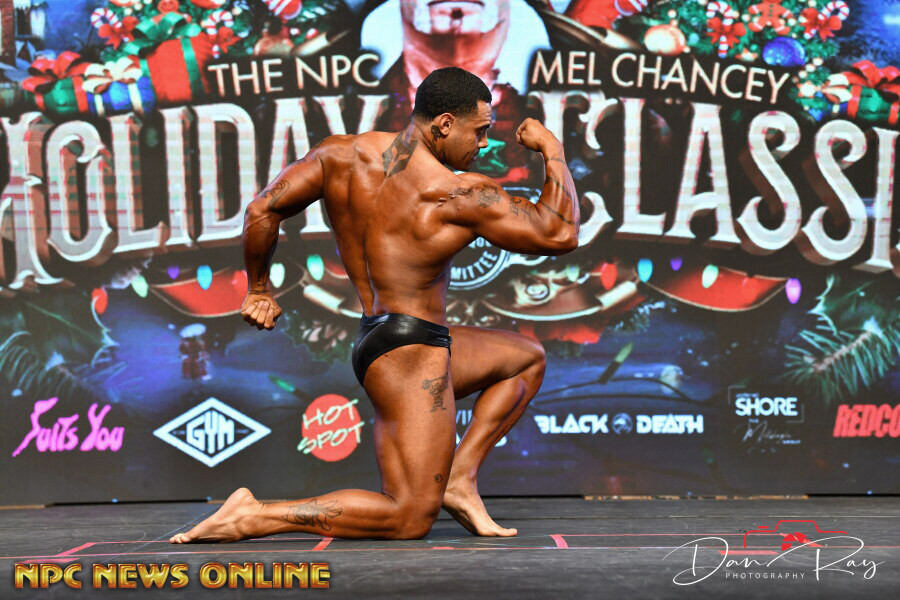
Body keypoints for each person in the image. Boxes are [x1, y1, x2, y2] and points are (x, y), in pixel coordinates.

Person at [169, 66, 579, 543]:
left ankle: (459, 479)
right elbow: (559, 233)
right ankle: (256, 515)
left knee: (524, 358)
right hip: (411, 352)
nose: (483, 144)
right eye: (479, 131)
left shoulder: (339, 154)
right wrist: (553, 149)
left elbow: (263, 208)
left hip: (382, 338)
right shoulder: (456, 193)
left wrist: (258, 289)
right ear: (445, 124)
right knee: (409, 516)